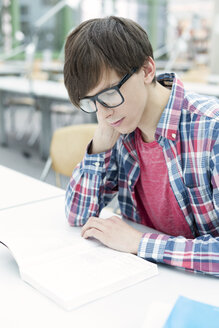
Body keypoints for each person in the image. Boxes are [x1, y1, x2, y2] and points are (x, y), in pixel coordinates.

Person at [64, 16, 219, 276]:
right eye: (91, 103)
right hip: (143, 279)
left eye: (110, 93)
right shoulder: (120, 128)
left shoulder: (211, 129)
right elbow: (78, 216)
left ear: (147, 70)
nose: (104, 114)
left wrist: (139, 243)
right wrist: (100, 146)